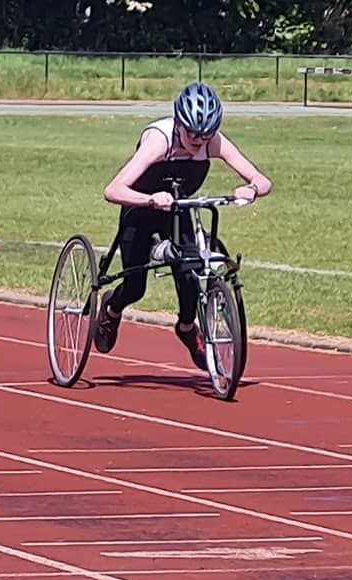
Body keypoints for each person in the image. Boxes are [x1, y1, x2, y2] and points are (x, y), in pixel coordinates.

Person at [96, 81, 272, 370]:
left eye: (205, 137)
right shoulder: (158, 141)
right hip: (140, 209)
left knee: (191, 268)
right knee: (134, 287)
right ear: (178, 123)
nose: (198, 142)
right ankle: (112, 310)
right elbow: (113, 190)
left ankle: (188, 327)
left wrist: (251, 188)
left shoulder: (213, 141)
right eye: (192, 135)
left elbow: (263, 180)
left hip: (179, 209)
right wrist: (149, 199)